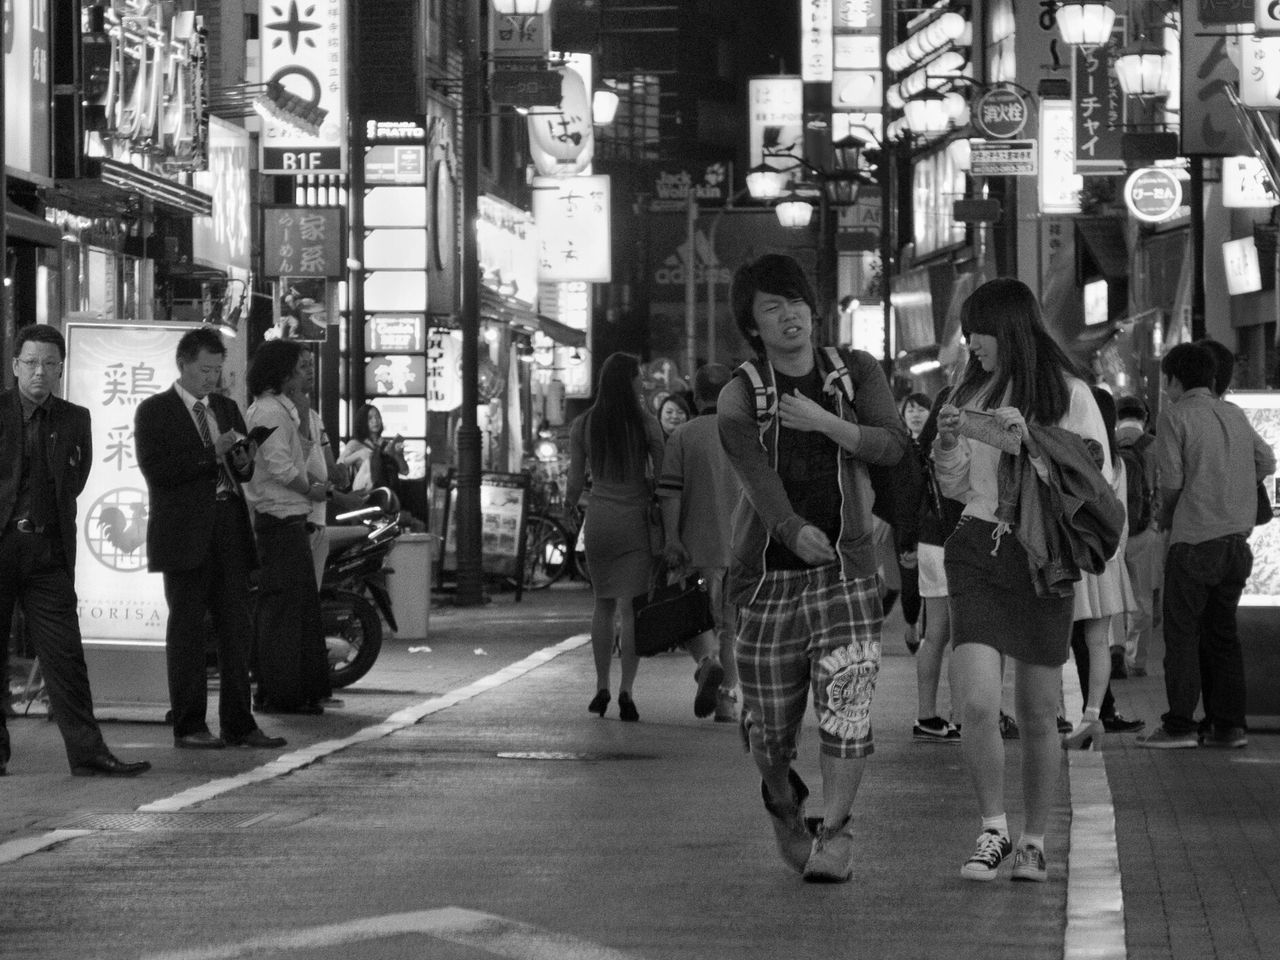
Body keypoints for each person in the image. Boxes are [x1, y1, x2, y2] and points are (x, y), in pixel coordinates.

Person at [718, 254, 908, 883]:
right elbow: (757, 477)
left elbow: (890, 443)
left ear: (813, 307)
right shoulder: (740, 394)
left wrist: (827, 422)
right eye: (772, 306)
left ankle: (837, 832)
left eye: (795, 301)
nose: (789, 314)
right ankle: (781, 798)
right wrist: (792, 530)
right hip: (767, 582)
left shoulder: (856, 372)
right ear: (753, 323)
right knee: (769, 732)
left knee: (846, 707)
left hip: (847, 575)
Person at [933, 277, 1112, 883]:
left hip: (1039, 558)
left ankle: (1033, 840)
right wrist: (950, 444)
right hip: (976, 548)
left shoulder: (1070, 394)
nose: (968, 343)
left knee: (1037, 712)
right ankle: (993, 829)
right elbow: (957, 487)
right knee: (977, 702)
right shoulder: (969, 388)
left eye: (975, 330)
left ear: (1007, 327)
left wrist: (1031, 442)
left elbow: (1096, 481)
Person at [0, 324, 150, 777]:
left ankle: (88, 753)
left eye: (49, 364)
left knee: (65, 656)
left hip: (48, 549)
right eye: (30, 363)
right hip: (2, 545)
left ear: (61, 369)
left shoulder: (74, 418)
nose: (39, 372)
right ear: (14, 366)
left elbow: (75, 479)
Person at [134, 328, 287, 751]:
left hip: (229, 527)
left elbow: (243, 473)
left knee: (236, 629)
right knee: (187, 632)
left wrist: (242, 458)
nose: (212, 379)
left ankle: (239, 723)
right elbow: (157, 469)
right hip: (183, 534)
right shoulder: (155, 411)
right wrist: (212, 452)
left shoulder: (227, 406)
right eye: (205, 370)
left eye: (218, 371)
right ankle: (189, 725)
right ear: (182, 364)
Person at [1138, 343, 1275, 749]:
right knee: (1222, 635)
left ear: (1174, 380)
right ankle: (1228, 726)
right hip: (1236, 545)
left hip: (1194, 542)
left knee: (1181, 636)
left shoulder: (1175, 416)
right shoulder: (1232, 414)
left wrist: (1165, 520)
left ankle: (1179, 725)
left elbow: (1173, 484)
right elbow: (1267, 460)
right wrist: (1237, 489)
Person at [565, 352, 666, 723]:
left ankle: (600, 686)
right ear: (627, 381)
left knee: (602, 604)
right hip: (635, 519)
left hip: (600, 519)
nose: (642, 381)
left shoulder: (584, 424)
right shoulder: (645, 423)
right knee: (631, 608)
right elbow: (667, 469)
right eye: (638, 376)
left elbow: (576, 482)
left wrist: (568, 506)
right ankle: (626, 691)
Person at [243, 341, 332, 715]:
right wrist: (312, 490)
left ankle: (294, 689)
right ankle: (281, 693)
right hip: (278, 519)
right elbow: (281, 467)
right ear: (281, 373)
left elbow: (302, 452)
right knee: (283, 613)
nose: (305, 374)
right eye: (298, 367)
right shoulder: (267, 410)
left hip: (290, 519)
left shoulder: (285, 410)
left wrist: (305, 411)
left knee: (296, 610)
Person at [1063, 387, 1143, 750]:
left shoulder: (1072, 455)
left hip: (1071, 557)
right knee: (1098, 642)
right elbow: (1121, 516)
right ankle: (1093, 715)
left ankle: (1052, 716)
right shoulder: (1119, 462)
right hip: (1106, 560)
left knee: (1053, 639)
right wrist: (1116, 555)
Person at [657, 363, 738, 722]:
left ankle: (707, 663)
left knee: (694, 618)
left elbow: (670, 494)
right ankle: (726, 703)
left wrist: (672, 538)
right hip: (742, 551)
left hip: (697, 548)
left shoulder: (684, 436)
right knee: (732, 627)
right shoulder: (748, 434)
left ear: (698, 396)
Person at [910, 388, 965, 743]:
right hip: (956, 539)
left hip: (929, 539)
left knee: (935, 635)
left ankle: (926, 715)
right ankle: (961, 716)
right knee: (962, 636)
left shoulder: (925, 445)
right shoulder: (958, 435)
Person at [1115, 394, 1159, 678]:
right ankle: (1138, 660)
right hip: (1145, 531)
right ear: (1144, 418)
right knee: (1143, 598)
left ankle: (1115, 652)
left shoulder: (1108, 443)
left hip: (1114, 531)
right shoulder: (1154, 446)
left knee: (1114, 597)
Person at [897, 393, 932, 654]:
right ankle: (911, 623)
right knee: (909, 580)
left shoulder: (937, 444)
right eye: (910, 409)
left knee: (933, 581)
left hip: (932, 521)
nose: (916, 414)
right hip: (905, 522)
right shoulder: (897, 445)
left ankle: (930, 634)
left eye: (921, 409)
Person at [340, 403, 408, 495]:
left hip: (387, 495)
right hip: (365, 496)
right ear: (362, 422)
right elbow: (339, 465)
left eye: (377, 417)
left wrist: (398, 454)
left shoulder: (387, 445)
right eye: (370, 418)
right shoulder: (355, 444)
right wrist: (358, 455)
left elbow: (405, 471)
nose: (375, 421)